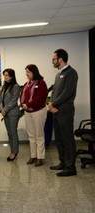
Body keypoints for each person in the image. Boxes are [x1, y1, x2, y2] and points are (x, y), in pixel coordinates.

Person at [49, 49, 78, 177]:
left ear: (60, 59)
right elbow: (55, 92)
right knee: (59, 139)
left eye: (54, 59)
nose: (53, 61)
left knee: (67, 139)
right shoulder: (58, 74)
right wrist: (50, 103)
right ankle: (63, 163)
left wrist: (53, 104)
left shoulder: (71, 73)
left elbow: (67, 93)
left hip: (65, 111)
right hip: (56, 111)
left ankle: (71, 167)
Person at [20, 64, 48, 167]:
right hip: (28, 112)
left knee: (39, 135)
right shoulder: (27, 84)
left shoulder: (41, 83)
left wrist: (29, 105)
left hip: (38, 112)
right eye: (26, 72)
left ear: (34, 72)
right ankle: (33, 156)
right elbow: (22, 96)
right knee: (31, 135)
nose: (27, 74)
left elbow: (41, 98)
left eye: (28, 72)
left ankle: (40, 157)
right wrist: (23, 105)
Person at [0, 69, 21, 161]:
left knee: (13, 133)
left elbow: (13, 101)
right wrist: (0, 108)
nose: (5, 77)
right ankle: (12, 150)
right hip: (5, 113)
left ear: (12, 76)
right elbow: (1, 99)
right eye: (4, 75)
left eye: (7, 75)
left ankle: (14, 152)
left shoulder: (16, 86)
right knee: (9, 133)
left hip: (13, 113)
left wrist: (5, 109)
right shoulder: (4, 86)